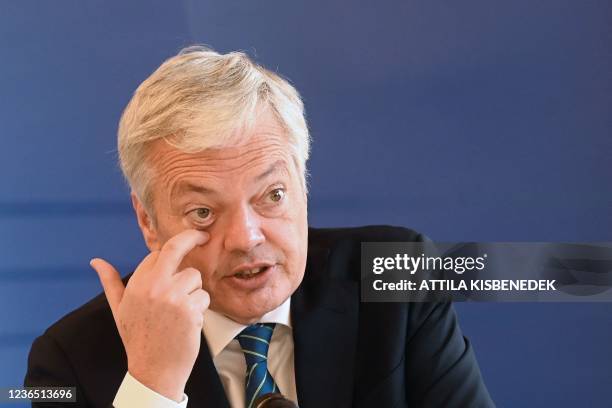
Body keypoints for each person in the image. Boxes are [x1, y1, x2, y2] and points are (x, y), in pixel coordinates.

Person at [24, 46, 494, 408]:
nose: (247, 238)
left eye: (272, 196)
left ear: (304, 188)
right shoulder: (68, 361)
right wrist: (152, 387)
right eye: (204, 213)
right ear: (148, 221)